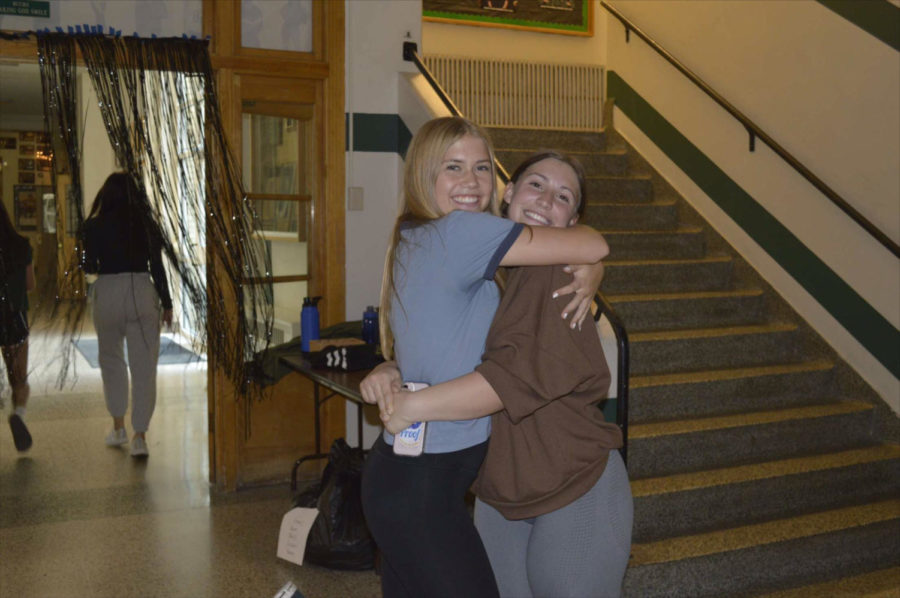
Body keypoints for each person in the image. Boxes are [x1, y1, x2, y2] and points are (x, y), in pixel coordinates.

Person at [359, 117, 608, 598]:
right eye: (453, 167)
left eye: (479, 167)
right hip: (423, 485)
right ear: (422, 175)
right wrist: (592, 260)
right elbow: (595, 241)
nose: (471, 183)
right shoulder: (463, 233)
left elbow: (440, 340)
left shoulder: (422, 236)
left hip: (411, 479)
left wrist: (393, 370)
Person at [82, 173, 173, 458]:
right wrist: (167, 304)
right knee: (144, 366)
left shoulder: (93, 226)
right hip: (142, 291)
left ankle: (118, 427)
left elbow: (89, 266)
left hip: (107, 291)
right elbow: (157, 267)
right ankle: (140, 436)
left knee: (111, 361)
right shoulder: (147, 225)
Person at [1, 201, 35, 452]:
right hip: (14, 318)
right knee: (19, 378)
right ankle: (19, 414)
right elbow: (30, 284)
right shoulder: (21, 245)